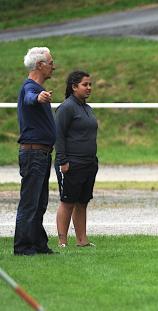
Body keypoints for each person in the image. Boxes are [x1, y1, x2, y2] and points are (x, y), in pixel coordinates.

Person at [14, 47, 56, 255]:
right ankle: (22, 247)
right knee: (30, 202)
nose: (53, 66)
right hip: (34, 154)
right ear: (40, 65)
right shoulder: (30, 88)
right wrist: (39, 98)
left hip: (42, 153)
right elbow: (31, 97)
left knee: (40, 202)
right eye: (50, 62)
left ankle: (39, 244)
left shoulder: (36, 88)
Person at [54, 70, 98, 248]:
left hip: (89, 162)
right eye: (85, 84)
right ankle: (62, 241)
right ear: (74, 87)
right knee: (68, 201)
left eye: (90, 84)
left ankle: (82, 240)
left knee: (82, 202)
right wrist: (63, 161)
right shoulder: (66, 108)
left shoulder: (87, 108)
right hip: (72, 163)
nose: (89, 88)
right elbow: (59, 135)